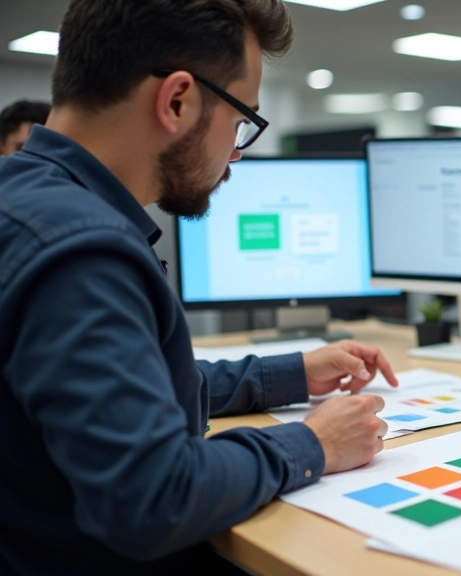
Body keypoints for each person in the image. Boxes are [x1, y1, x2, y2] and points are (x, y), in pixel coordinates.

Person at [0, 1, 399, 573]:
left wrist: (289, 373)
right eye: (241, 122)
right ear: (178, 101)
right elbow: (154, 500)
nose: (236, 153)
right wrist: (313, 445)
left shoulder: (24, 197)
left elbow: (129, 391)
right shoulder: (81, 250)